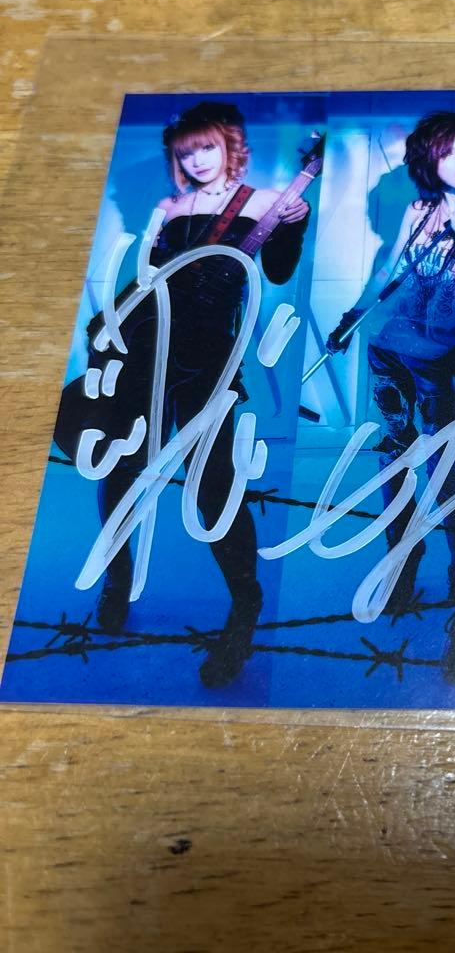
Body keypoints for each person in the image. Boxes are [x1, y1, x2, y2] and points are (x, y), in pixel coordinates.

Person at [91, 101, 310, 688]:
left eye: (207, 147)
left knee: (214, 485)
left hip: (210, 360)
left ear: (231, 145)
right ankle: (117, 578)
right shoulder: (169, 208)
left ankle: (244, 605)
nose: (197, 160)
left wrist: (296, 221)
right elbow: (147, 283)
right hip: (147, 353)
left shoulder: (266, 202)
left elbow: (280, 271)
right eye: (186, 152)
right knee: (122, 469)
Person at [326, 111, 455, 683]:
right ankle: (402, 567)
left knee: (448, 477)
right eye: (447, 151)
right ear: (428, 162)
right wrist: (351, 316)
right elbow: (389, 273)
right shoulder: (417, 210)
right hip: (389, 351)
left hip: (441, 362)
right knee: (393, 465)